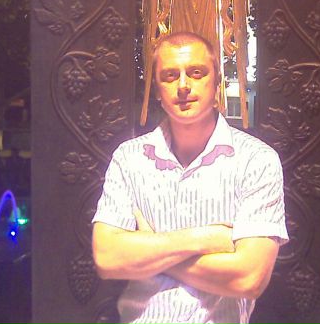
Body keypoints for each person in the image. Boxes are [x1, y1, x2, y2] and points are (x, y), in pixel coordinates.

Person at [92, 31, 288, 324]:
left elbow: (249, 278)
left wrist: (150, 248)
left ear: (217, 82)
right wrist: (205, 238)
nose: (183, 85)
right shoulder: (129, 158)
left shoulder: (256, 160)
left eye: (196, 73)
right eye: (170, 76)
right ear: (157, 90)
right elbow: (107, 259)